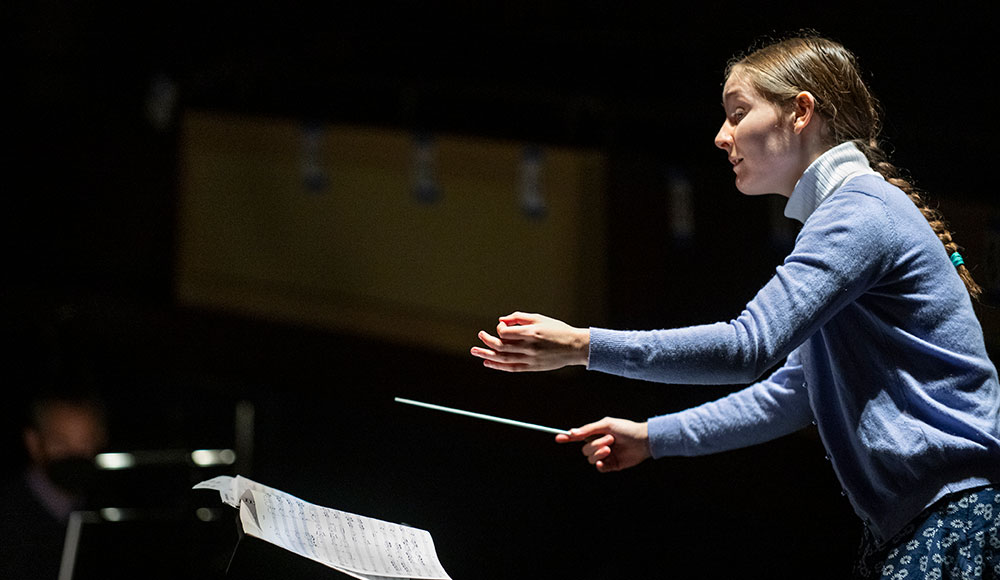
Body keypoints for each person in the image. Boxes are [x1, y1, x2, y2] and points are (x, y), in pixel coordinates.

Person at [471, 34, 1000, 579]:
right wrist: (652, 437)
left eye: (738, 113)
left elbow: (746, 347)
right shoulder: (852, 214)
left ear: (801, 112)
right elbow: (794, 392)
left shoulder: (858, 213)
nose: (722, 136)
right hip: (935, 521)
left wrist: (582, 346)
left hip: (956, 520)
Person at [0, 391, 109, 580]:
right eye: (60, 443)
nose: (74, 455)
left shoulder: (104, 507)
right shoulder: (7, 516)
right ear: (33, 442)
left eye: (85, 444)